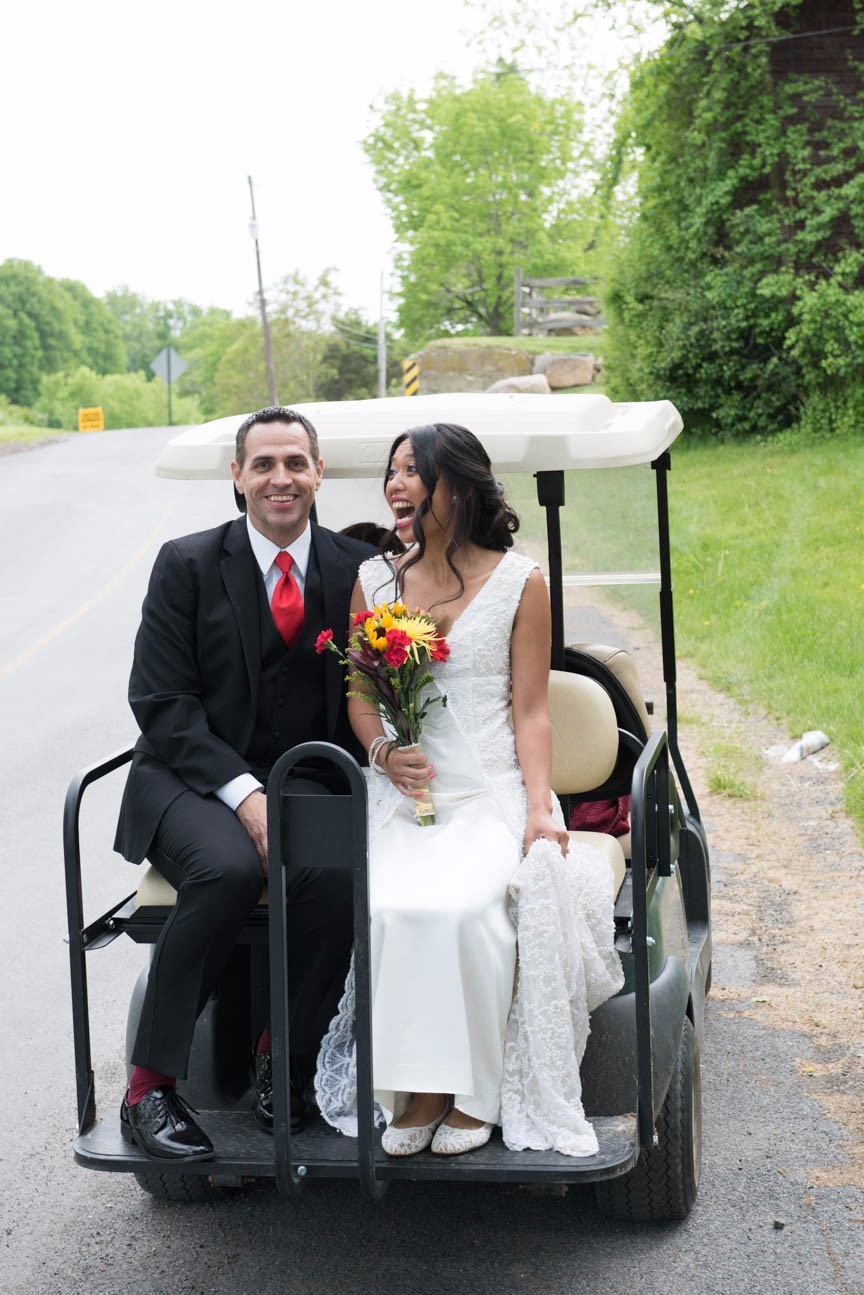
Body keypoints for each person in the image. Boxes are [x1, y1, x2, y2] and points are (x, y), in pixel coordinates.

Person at [315, 423, 623, 1158]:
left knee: (461, 908)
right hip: (405, 796)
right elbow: (361, 697)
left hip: (488, 792)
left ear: (455, 484)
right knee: (392, 907)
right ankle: (416, 1089)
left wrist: (540, 807)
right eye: (391, 471)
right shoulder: (375, 581)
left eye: (411, 470)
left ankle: (474, 1093)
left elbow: (532, 709)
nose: (395, 485)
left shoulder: (521, 581)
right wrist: (384, 751)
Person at [114, 405, 376, 1162]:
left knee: (335, 872)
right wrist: (244, 793)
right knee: (227, 868)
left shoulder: (359, 570)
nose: (279, 478)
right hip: (189, 780)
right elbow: (161, 702)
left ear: (319, 472)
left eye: (295, 462)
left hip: (309, 779)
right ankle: (148, 1088)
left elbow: (370, 691)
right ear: (237, 476)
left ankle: (283, 1062)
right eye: (263, 464)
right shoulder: (186, 563)